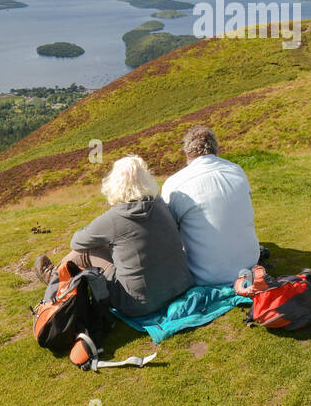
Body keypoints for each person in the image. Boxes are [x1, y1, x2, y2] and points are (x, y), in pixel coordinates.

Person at [33, 155, 192, 317]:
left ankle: (55, 277)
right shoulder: (159, 202)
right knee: (118, 244)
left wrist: (103, 238)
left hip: (139, 304)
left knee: (85, 252)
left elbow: (77, 241)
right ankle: (58, 276)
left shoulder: (115, 218)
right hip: (180, 285)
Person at [161, 126, 260, 286]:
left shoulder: (175, 183)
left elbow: (169, 231)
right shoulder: (236, 170)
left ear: (187, 153)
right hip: (250, 265)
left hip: (205, 276)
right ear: (216, 150)